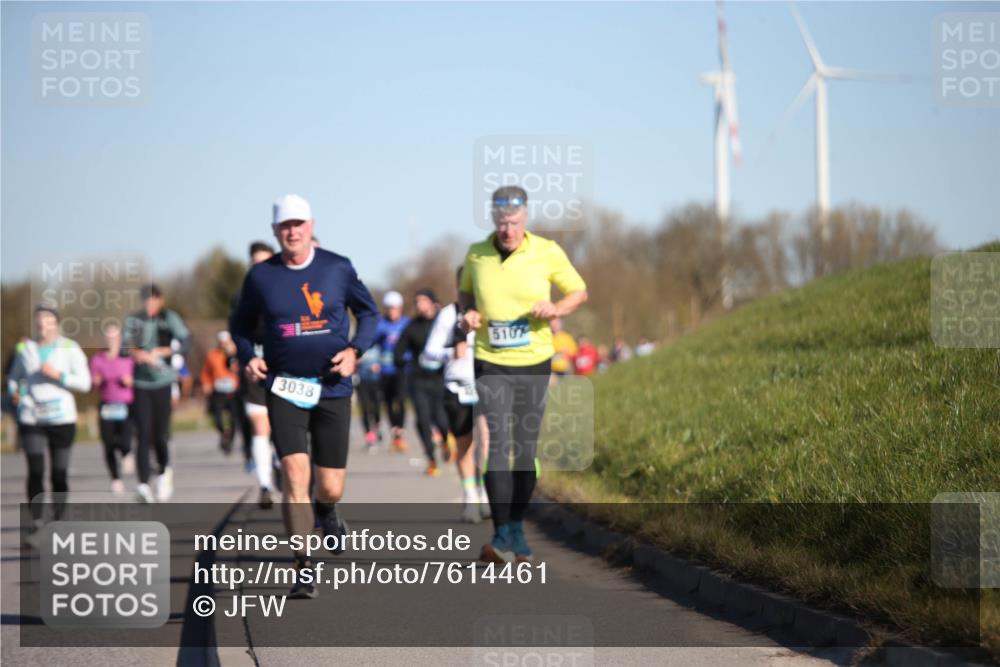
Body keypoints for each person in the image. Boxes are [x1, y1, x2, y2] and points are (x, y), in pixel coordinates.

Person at [230, 194, 378, 600]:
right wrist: (247, 357)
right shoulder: (261, 277)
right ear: (275, 231)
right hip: (284, 386)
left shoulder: (337, 267)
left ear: (310, 225)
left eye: (298, 224)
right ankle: (303, 565)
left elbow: (369, 313)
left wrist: (355, 351)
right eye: (284, 226)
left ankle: (327, 511)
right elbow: (240, 326)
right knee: (295, 476)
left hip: (332, 385)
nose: (292, 231)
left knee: (329, 487)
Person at [460, 185, 587, 564]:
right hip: (490, 359)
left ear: (525, 218)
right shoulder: (476, 253)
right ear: (493, 219)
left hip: (534, 360)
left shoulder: (546, 251)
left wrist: (556, 306)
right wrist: (467, 313)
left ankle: (516, 526)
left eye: (514, 222)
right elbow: (465, 294)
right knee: (498, 441)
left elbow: (578, 291)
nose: (507, 230)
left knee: (525, 449)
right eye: (501, 223)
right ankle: (500, 534)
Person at [8, 306, 91, 540]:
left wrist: (59, 376)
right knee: (35, 470)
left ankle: (59, 519)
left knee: (58, 473)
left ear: (57, 324)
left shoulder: (69, 348)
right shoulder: (26, 348)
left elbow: (84, 383)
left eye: (48, 321)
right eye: (39, 321)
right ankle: (36, 521)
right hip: (32, 415)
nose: (43, 325)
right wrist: (15, 392)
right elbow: (15, 378)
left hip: (61, 417)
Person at [424, 267, 490, 521]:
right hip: (457, 388)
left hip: (485, 385)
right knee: (465, 445)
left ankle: (485, 492)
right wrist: (452, 351)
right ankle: (470, 496)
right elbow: (430, 352)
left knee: (487, 441)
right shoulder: (447, 315)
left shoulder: (490, 313)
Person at [123, 284, 191, 503]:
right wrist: (138, 354)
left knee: (160, 434)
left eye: (153, 300)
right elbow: (124, 345)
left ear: (161, 300)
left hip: (163, 381)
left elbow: (186, 341)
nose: (149, 305)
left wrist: (165, 350)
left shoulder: (169, 318)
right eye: (146, 301)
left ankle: (164, 471)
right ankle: (143, 485)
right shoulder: (134, 320)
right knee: (142, 433)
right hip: (141, 383)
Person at [233, 240, 279, 509]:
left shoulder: (286, 291)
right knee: (261, 428)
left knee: (282, 431)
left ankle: (278, 463)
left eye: (265, 261)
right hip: (255, 372)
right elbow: (238, 333)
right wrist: (247, 357)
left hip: (285, 371)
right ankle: (265, 485)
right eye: (255, 263)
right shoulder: (241, 298)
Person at [394, 288, 451, 476]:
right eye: (416, 302)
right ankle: (431, 459)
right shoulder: (412, 326)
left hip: (441, 378)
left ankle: (445, 440)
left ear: (433, 302)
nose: (419, 305)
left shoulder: (443, 323)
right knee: (422, 420)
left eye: (422, 300)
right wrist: (405, 361)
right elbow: (398, 352)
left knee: (441, 417)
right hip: (418, 380)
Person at [89, 323, 136, 495]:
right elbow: (91, 384)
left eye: (114, 336)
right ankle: (116, 479)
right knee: (108, 444)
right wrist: (95, 382)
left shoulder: (128, 359)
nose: (111, 339)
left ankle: (127, 452)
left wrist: (130, 381)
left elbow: (136, 381)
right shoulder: (97, 359)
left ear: (120, 338)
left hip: (126, 405)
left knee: (124, 440)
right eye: (108, 336)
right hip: (107, 405)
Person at [372, 291, 410, 452]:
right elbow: (371, 345)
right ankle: (394, 428)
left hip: (402, 368)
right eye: (389, 308)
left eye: (395, 308)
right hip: (385, 369)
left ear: (400, 308)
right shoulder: (381, 325)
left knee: (400, 400)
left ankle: (400, 429)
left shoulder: (407, 323)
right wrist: (373, 362)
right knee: (387, 402)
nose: (392, 311)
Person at [201, 331, 241, 454]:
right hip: (218, 390)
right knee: (217, 416)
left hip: (234, 390)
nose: (224, 345)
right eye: (222, 343)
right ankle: (224, 433)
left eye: (226, 342)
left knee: (234, 418)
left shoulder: (237, 355)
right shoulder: (212, 355)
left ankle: (229, 440)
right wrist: (206, 384)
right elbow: (206, 372)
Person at [355, 345, 383, 451]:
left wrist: (379, 367)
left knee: (376, 408)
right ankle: (369, 436)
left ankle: (377, 426)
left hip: (375, 382)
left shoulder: (377, 348)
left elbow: (385, 361)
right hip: (362, 382)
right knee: (365, 409)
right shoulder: (358, 347)